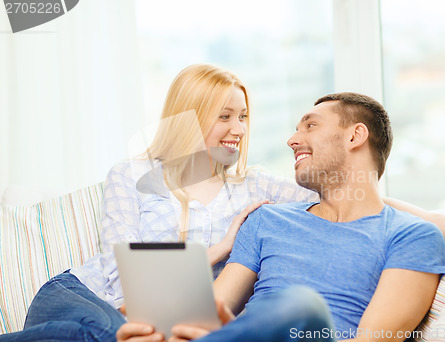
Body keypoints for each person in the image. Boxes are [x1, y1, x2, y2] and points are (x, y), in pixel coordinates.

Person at [0, 64, 316, 341]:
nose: (240, 129)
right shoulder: (131, 174)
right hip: (80, 296)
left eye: (243, 117)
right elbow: (122, 279)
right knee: (123, 336)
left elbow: (333, 195)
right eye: (225, 117)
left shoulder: (255, 186)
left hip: (155, 326)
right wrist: (214, 253)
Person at [117, 92, 445, 342]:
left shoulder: (412, 235)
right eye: (295, 130)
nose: (292, 140)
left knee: (301, 305)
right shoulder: (267, 220)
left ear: (354, 136)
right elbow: (211, 310)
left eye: (310, 126)